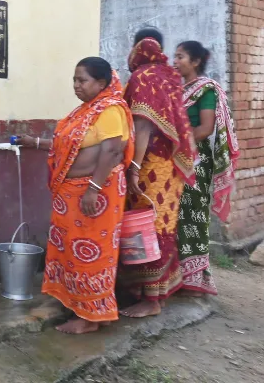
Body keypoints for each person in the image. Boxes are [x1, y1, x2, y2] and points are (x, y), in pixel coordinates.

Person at [17, 57, 133, 334]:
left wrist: (93, 189)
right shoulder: (83, 112)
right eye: (74, 80)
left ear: (101, 83)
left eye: (82, 80)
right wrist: (33, 142)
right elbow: (65, 146)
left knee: (91, 254)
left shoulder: (110, 110)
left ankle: (89, 318)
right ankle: (90, 311)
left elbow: (112, 151)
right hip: (72, 195)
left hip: (95, 194)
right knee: (73, 251)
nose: (76, 85)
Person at [119, 28, 197, 318]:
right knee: (163, 226)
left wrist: (134, 167)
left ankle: (150, 301)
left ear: (138, 47)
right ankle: (157, 294)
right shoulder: (170, 76)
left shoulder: (142, 77)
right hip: (171, 168)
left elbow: (143, 126)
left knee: (144, 227)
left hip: (150, 164)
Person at [173, 41, 240, 296]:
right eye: (175, 56)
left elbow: (205, 128)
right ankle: (175, 275)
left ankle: (195, 278)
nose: (175, 61)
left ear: (196, 61)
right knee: (173, 217)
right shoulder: (177, 90)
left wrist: (177, 141)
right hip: (174, 157)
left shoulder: (206, 90)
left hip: (195, 161)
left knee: (191, 216)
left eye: (180, 57)